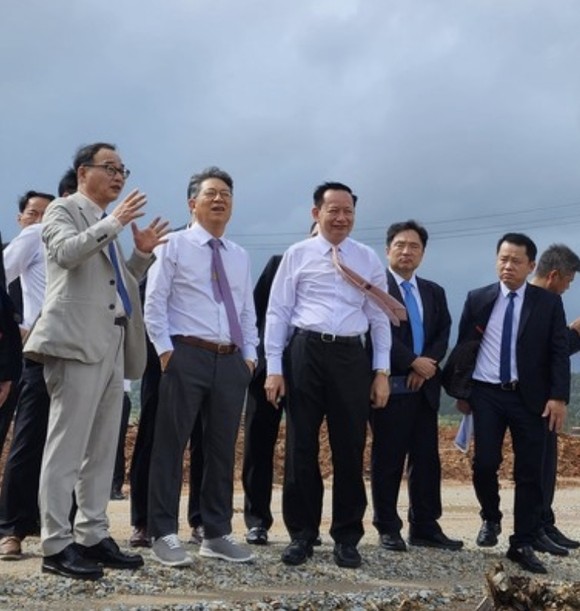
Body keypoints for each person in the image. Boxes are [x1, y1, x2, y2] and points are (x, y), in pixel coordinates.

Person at [24, 142, 168, 580]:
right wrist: (115, 222)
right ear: (83, 172)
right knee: (66, 447)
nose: (119, 175)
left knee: (103, 449)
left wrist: (140, 255)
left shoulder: (107, 223)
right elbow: (66, 254)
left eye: (123, 169)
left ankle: (92, 534)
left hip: (111, 342)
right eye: (110, 167)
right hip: (74, 342)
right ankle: (55, 544)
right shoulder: (63, 210)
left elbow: (117, 286)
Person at [264, 181, 394, 569]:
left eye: (348, 211)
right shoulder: (297, 254)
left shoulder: (367, 258)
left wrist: (381, 371)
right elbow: (278, 312)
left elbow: (379, 318)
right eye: (333, 210)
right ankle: (302, 535)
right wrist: (274, 368)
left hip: (351, 357)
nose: (341, 218)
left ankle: (347, 537)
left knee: (349, 447)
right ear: (316, 213)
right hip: (305, 352)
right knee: (301, 446)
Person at [145, 166, 258, 567]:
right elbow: (154, 301)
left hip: (230, 360)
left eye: (226, 193)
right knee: (170, 445)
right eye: (211, 193)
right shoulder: (173, 245)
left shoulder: (239, 255)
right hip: (185, 354)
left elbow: (246, 311)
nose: (219, 199)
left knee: (221, 449)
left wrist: (250, 357)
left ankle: (216, 532)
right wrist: (165, 352)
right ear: (192, 203)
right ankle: (163, 532)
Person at [453, 232, 569, 574]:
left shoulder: (546, 303)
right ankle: (490, 517)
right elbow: (464, 348)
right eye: (503, 259)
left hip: (529, 397)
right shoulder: (478, 299)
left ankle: (522, 542)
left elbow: (558, 353)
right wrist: (462, 393)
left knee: (529, 471)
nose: (508, 266)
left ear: (531, 266)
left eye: (516, 261)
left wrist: (558, 397)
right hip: (486, 394)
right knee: (484, 463)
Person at [371, 220, 462, 553]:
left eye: (414, 246)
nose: (406, 251)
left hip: (425, 388)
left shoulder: (433, 291)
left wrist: (427, 364)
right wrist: (411, 361)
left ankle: (425, 526)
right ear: (387, 250)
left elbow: (443, 332)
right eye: (400, 245)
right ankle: (387, 527)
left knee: (426, 461)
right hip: (390, 386)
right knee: (388, 459)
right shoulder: (376, 288)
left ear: (423, 253)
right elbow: (376, 332)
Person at [242, 223, 323, 546]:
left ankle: (305, 525)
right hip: (267, 372)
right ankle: (257, 521)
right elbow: (255, 314)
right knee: (259, 443)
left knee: (303, 447)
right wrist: (259, 362)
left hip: (308, 372)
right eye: (317, 234)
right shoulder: (280, 263)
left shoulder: (340, 272)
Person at [0, 190, 54, 560]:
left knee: (62, 444)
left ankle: (51, 525)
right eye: (35, 213)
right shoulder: (35, 236)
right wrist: (17, 323)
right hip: (37, 349)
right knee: (28, 437)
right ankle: (12, 528)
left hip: (77, 351)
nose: (41, 219)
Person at [529, 244, 580, 552]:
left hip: (547, 399)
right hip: (533, 400)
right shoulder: (533, 302)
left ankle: (545, 523)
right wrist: (575, 334)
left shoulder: (548, 302)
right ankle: (535, 528)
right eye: (568, 281)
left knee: (547, 466)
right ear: (554, 275)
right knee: (537, 467)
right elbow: (548, 354)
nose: (568, 287)